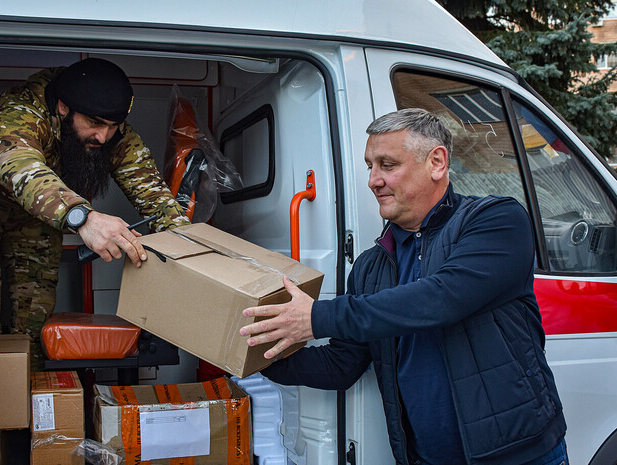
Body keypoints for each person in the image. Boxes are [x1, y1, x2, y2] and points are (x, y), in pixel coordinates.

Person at [240, 108, 568, 465]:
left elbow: (441, 299)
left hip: (519, 455)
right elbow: (341, 364)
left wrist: (317, 316)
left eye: (388, 164)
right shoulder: (370, 266)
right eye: (370, 166)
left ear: (437, 162)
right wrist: (250, 353)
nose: (373, 180)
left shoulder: (495, 220)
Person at [0, 57, 189, 369]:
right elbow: (21, 169)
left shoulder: (112, 133)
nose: (103, 137)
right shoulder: (20, 111)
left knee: (35, 309)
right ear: (62, 107)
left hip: (36, 214)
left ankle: (23, 394)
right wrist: (84, 218)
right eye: (95, 124)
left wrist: (189, 244)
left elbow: (154, 196)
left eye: (113, 127)